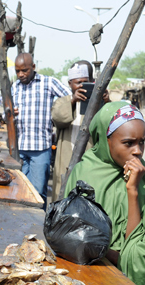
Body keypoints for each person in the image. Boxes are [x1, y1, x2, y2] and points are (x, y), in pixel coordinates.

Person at [64, 102, 145, 285]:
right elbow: (70, 232)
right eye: (128, 143)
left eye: (142, 141)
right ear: (105, 140)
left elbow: (142, 249)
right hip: (81, 274)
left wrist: (133, 190)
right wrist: (108, 254)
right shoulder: (84, 173)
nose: (138, 150)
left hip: (123, 281)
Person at [12, 53, 71, 207]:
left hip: (40, 148)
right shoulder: (15, 87)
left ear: (33, 67)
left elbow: (70, 97)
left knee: (37, 193)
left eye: (24, 70)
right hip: (20, 148)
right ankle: (22, 225)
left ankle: (38, 227)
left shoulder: (48, 82)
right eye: (17, 71)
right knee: (19, 192)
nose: (20, 74)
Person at [50, 60, 95, 202]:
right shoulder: (63, 101)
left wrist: (105, 102)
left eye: (84, 82)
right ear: (70, 84)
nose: (81, 86)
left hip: (88, 159)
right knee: (62, 194)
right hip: (66, 158)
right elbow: (57, 117)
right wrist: (73, 100)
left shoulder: (95, 102)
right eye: (77, 83)